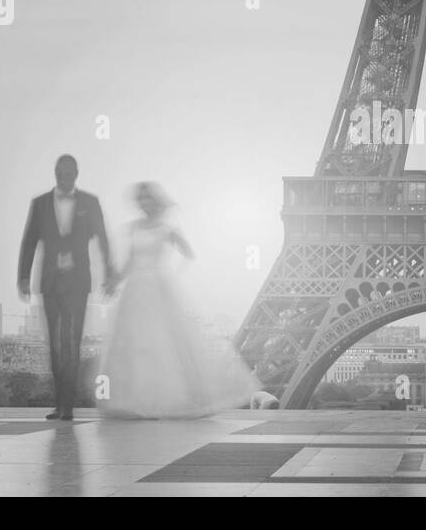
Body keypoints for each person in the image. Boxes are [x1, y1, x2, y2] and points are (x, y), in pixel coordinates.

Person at [99, 182, 259, 419]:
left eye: (147, 199)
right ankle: (141, 401)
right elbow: (129, 262)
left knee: (157, 344)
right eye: (139, 199)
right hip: (136, 289)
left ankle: (155, 401)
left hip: (157, 287)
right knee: (139, 345)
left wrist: (167, 274)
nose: (143, 203)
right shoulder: (133, 228)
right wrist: (115, 281)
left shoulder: (166, 229)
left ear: (154, 201)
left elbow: (188, 253)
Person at [17, 154, 116, 421]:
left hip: (77, 282)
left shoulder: (90, 203)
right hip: (50, 283)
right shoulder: (39, 205)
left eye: (69, 174)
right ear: (55, 174)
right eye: (60, 174)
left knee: (71, 343)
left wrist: (109, 274)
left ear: (76, 174)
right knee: (56, 346)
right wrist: (23, 277)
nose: (64, 178)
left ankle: (67, 407)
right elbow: (29, 241)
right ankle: (60, 403)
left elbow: (103, 240)